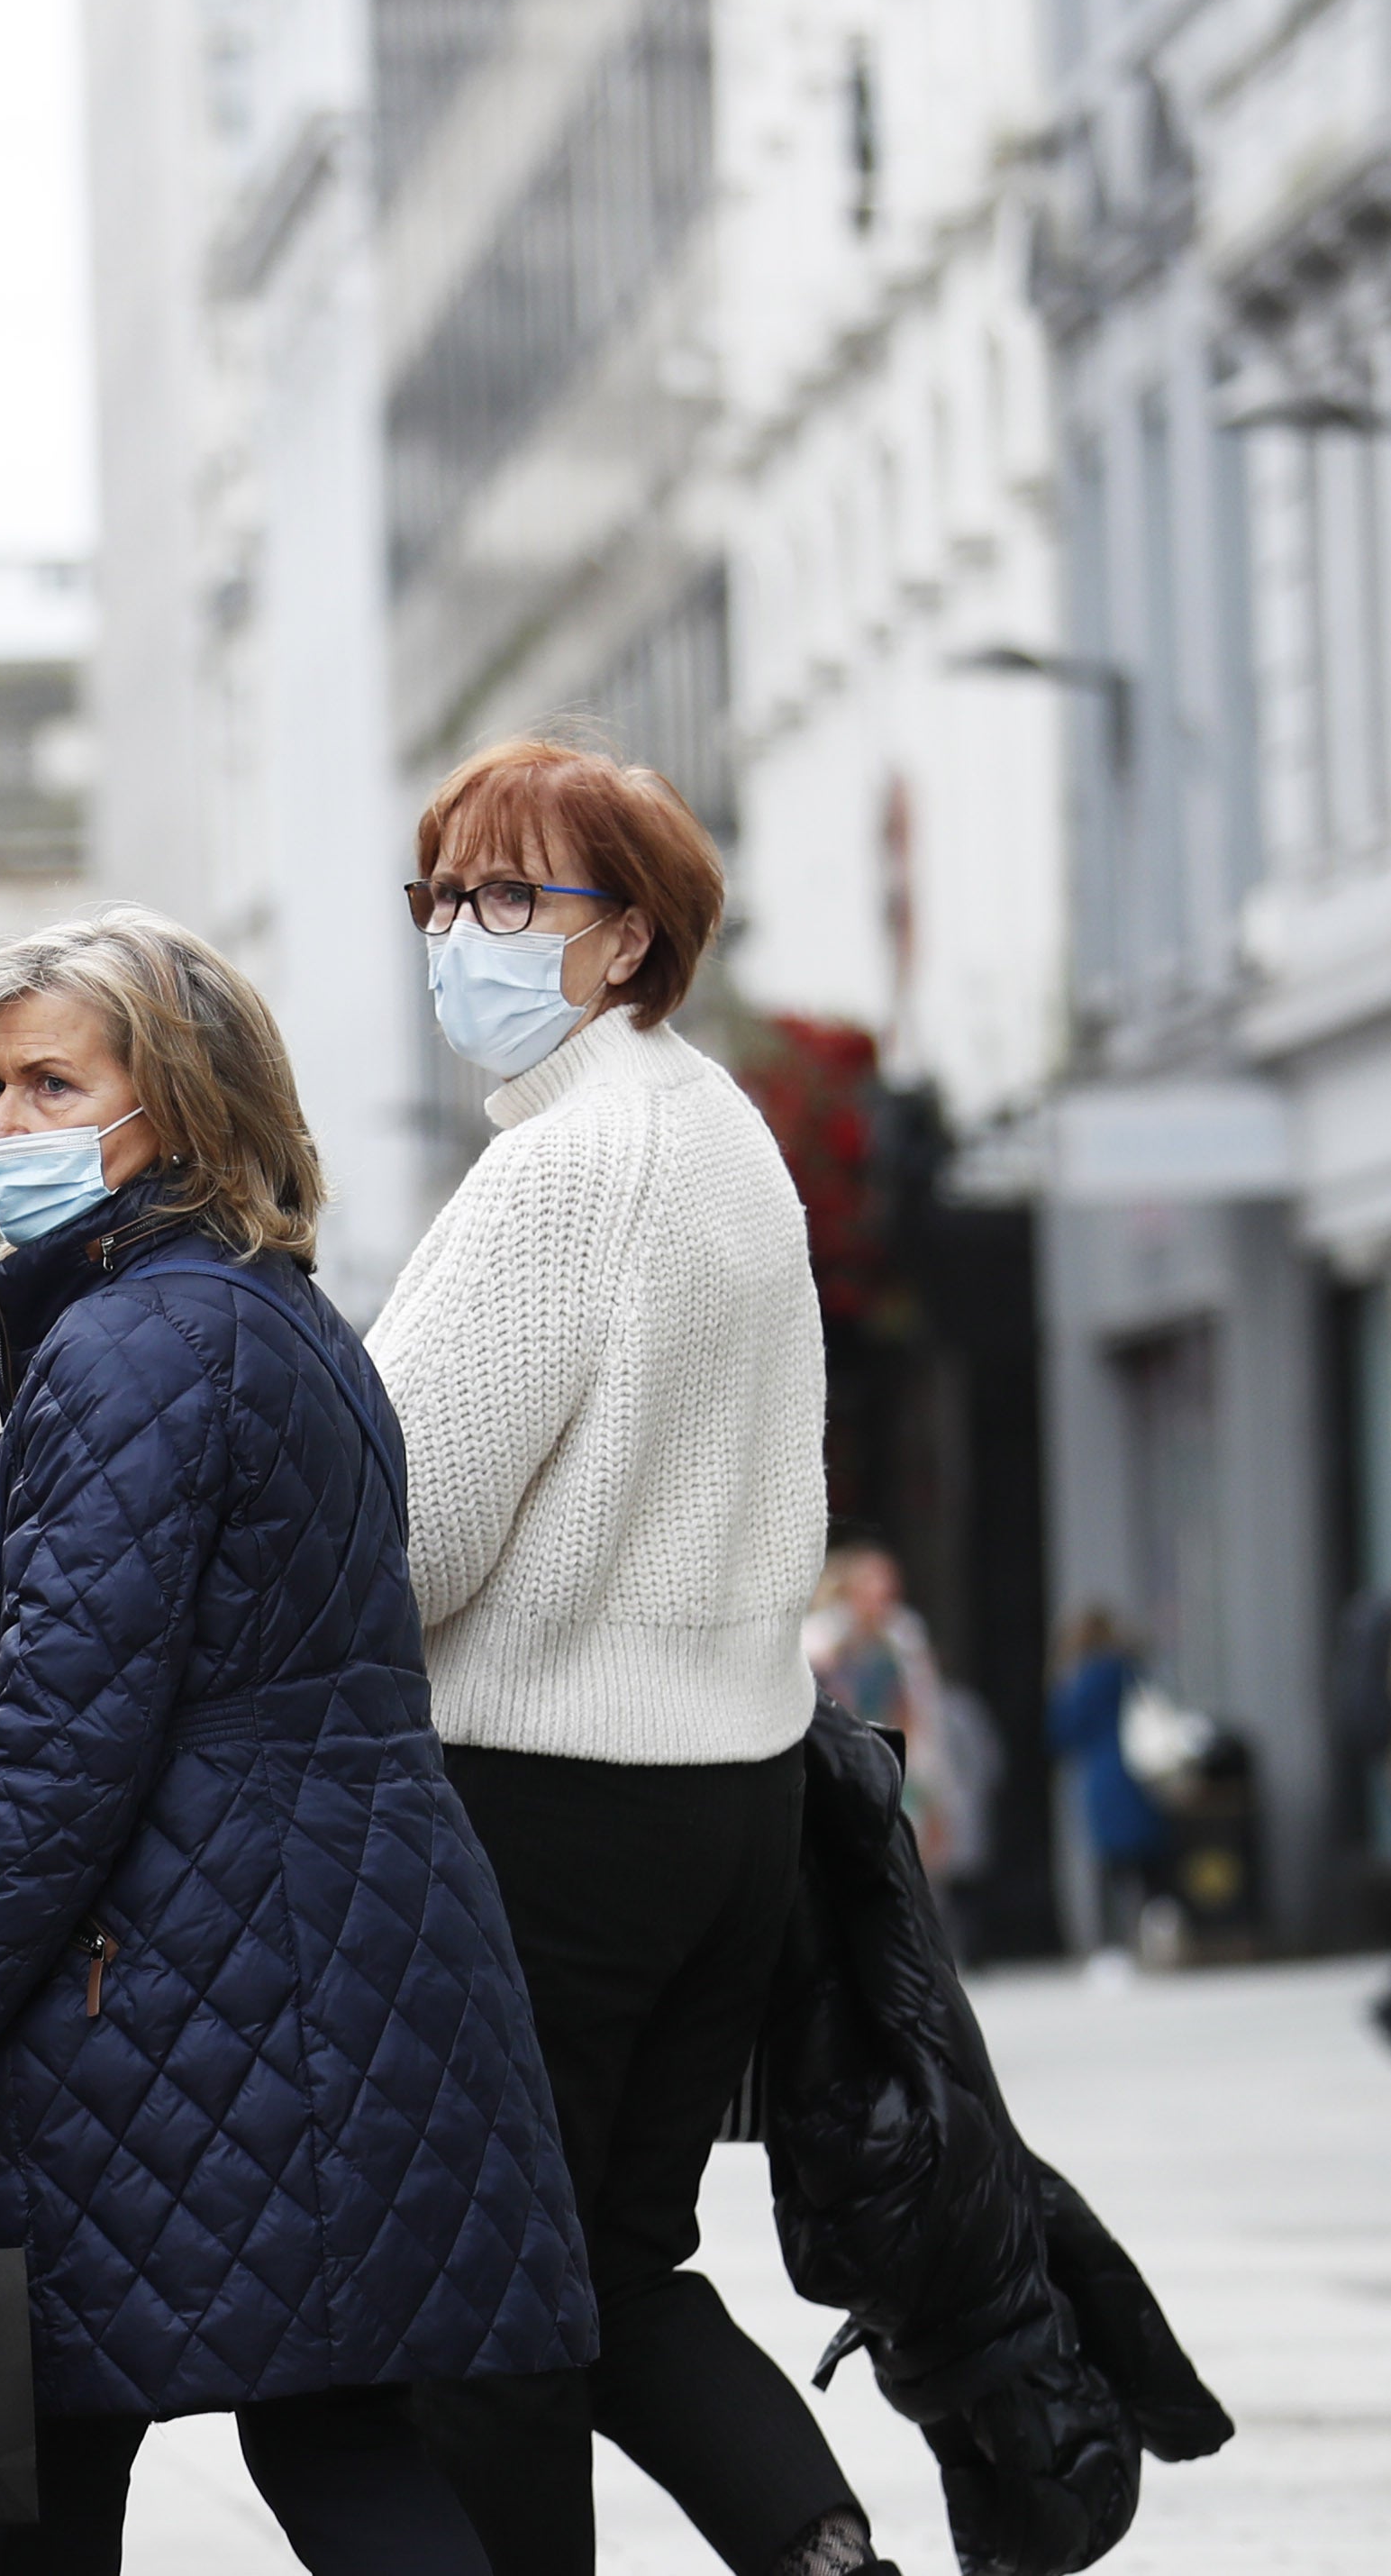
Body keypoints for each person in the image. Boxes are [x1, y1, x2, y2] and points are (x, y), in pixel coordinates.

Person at [0, 905, 589, 2574]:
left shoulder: (128, 1342)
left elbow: (72, 1734)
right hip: (311, 1953)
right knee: (320, 2428)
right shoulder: (274, 1315)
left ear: (176, 1096)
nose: (5, 1128)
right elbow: (234, 1628)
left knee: (26, 2472)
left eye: (48, 1083)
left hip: (170, 1975)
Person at [364, 737, 887, 2576]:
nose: (461, 936)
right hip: (724, 1805)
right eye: (441, 895)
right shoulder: (716, 1129)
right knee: (612, 2263)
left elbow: (406, 1538)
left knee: (481, 2301)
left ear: (624, 938)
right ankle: (832, 2562)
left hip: (541, 1810)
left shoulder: (560, 1169)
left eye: (512, 898)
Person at [807, 1543, 999, 1957]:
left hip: (899, 1763)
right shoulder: (823, 1639)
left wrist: (931, 1777)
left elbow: (920, 1708)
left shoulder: (903, 1637)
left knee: (912, 1859)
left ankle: (908, 1950)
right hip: (846, 1769)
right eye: (875, 1582)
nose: (885, 1591)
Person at [1047, 1605, 1168, 1965]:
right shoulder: (1129, 1669)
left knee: (1110, 1869)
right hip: (1142, 1772)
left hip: (1103, 1777)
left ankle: (1113, 1947)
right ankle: (1158, 1937)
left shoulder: (1080, 1679)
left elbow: (1062, 1733)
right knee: (1150, 1866)